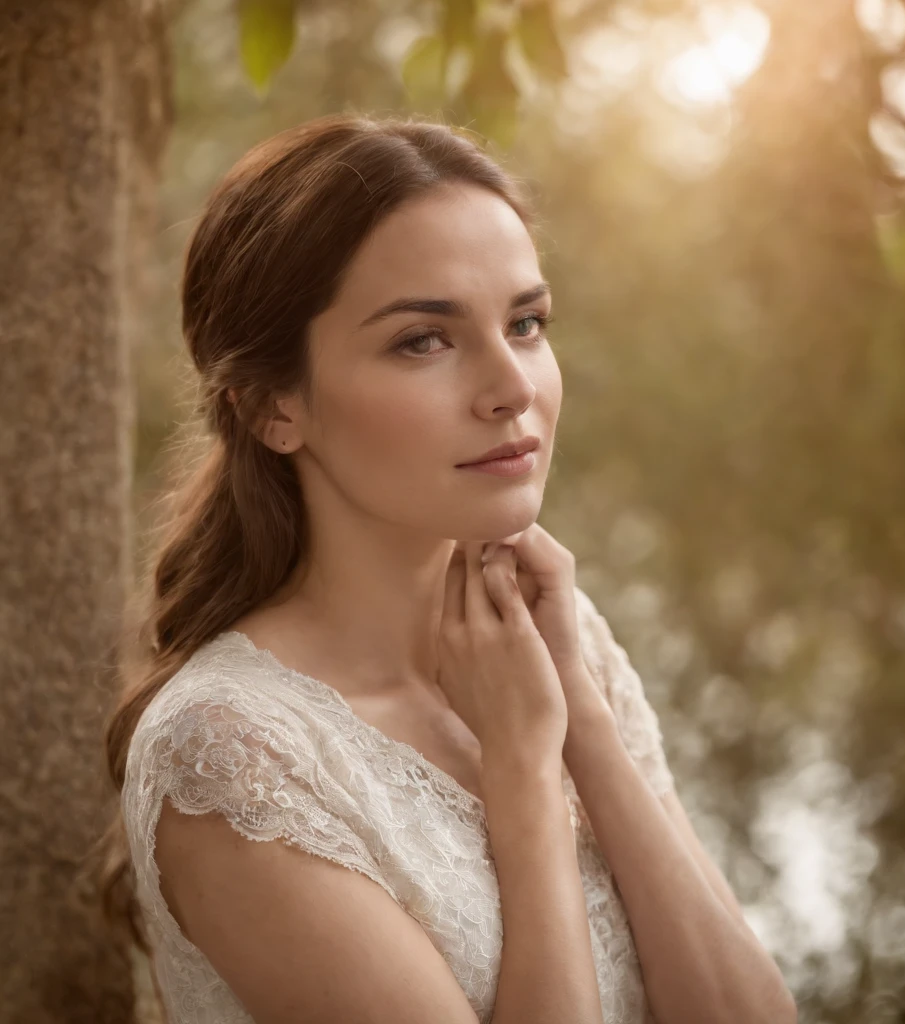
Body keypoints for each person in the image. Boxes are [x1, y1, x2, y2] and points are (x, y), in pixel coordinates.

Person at [94, 114, 796, 1024]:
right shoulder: (232, 759)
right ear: (273, 408)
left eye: (527, 323)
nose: (513, 388)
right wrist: (523, 771)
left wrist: (577, 712)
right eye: (424, 340)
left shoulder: (558, 644)